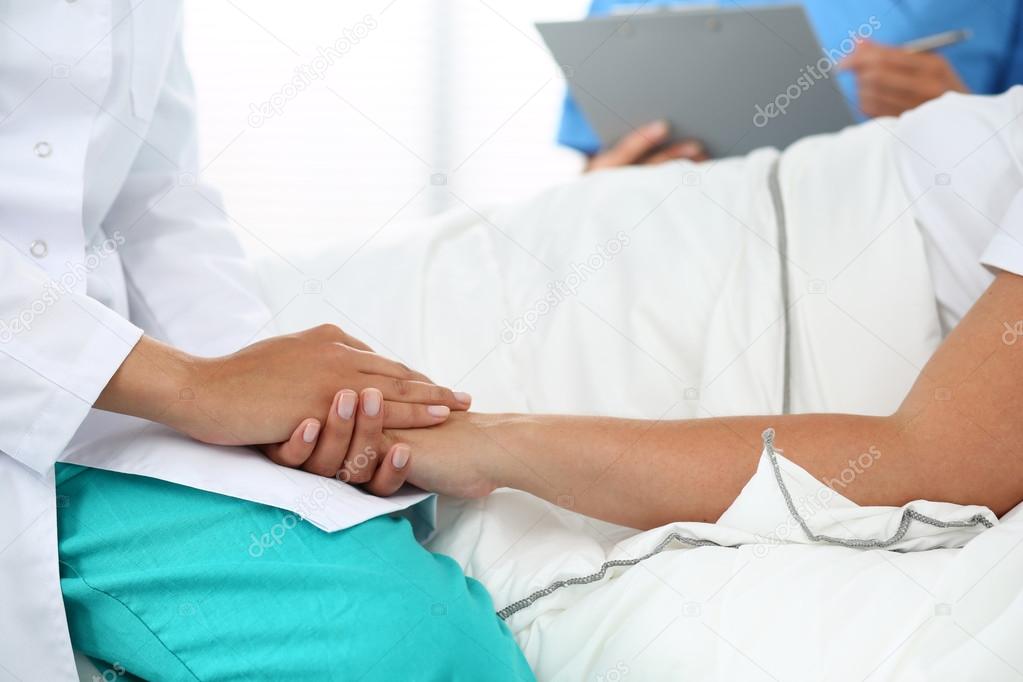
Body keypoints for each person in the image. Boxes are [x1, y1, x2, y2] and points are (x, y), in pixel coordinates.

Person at [0, 3, 532, 680]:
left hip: (109, 415)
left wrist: (270, 409)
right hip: (64, 423)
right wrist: (191, 388)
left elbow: (155, 196)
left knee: (434, 643)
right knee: (400, 649)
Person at [326, 87, 1023, 530]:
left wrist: (488, 441)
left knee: (279, 373)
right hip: (641, 229)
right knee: (268, 337)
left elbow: (945, 464)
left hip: (716, 302)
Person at [564, 0, 1023, 171]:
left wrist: (965, 121)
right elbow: (592, 170)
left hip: (886, 275)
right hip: (665, 272)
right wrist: (610, 183)